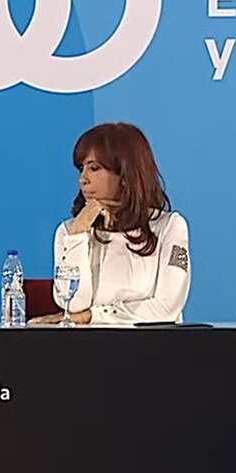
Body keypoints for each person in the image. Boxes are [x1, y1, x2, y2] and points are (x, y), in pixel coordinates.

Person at [33, 123, 190, 326]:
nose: (82, 179)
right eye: (81, 169)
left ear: (125, 174)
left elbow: (166, 308)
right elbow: (73, 303)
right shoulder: (69, 231)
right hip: (87, 343)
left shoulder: (169, 227)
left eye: (94, 168)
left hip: (151, 343)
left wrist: (93, 316)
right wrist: (78, 233)